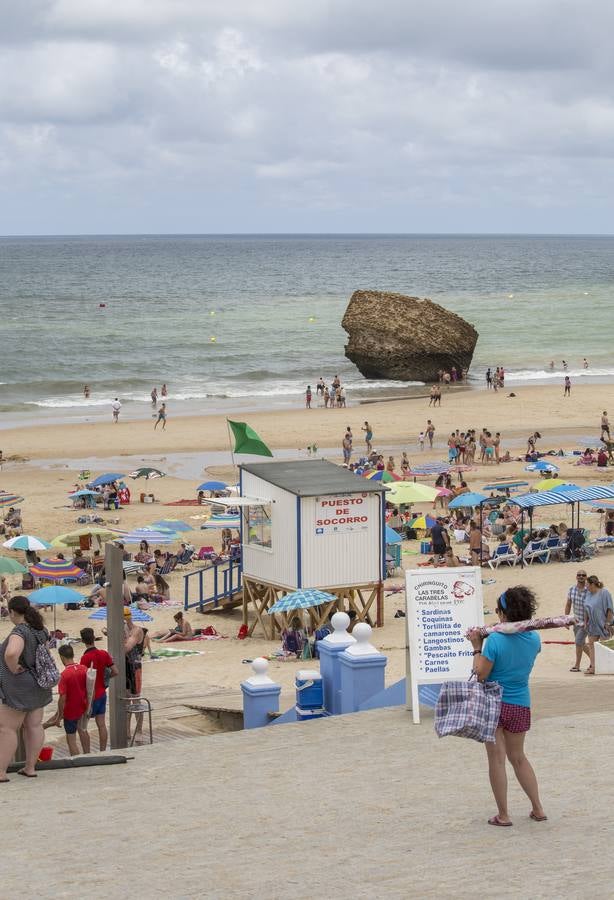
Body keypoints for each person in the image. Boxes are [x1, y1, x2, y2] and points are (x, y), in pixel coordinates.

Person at [469, 587, 546, 826]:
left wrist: (476, 646)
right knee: (519, 757)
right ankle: (538, 808)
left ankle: (503, 815)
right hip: (520, 702)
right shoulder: (534, 638)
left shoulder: (495, 641)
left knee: (497, 759)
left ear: (503, 613)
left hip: (494, 702)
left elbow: (480, 674)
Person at [0, 596, 54, 780]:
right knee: (34, 725)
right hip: (38, 682)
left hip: (19, 686)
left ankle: (1, 772)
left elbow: (12, 653)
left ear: (13, 612)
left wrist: (13, 667)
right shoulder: (41, 630)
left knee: (7, 728)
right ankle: (30, 767)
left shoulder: (19, 631)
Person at [44, 644, 90, 756]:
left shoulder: (64, 675)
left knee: (71, 740)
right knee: (83, 731)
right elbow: (89, 689)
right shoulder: (84, 669)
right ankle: (88, 755)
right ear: (73, 654)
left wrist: (59, 715)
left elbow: (62, 698)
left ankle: (76, 761)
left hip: (70, 712)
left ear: (62, 657)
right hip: (83, 708)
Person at [79, 628, 117, 752]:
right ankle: (102, 751)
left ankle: (87, 753)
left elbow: (83, 678)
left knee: (83, 726)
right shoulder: (104, 654)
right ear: (94, 638)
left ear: (83, 640)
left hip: (90, 697)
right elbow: (115, 671)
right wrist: (105, 678)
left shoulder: (85, 658)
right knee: (101, 725)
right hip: (102, 693)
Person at [583, 576, 614, 675]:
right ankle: (593, 667)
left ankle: (608, 666)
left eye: (587, 584)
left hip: (603, 623)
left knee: (605, 645)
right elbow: (586, 609)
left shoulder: (604, 593)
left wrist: (608, 623)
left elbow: (610, 609)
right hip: (592, 624)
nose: (586, 586)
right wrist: (585, 622)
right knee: (592, 645)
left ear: (592, 584)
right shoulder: (587, 594)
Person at [124, 608, 144, 742]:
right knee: (125, 700)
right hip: (124, 666)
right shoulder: (124, 629)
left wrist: (119, 637)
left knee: (135, 700)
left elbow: (127, 648)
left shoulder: (137, 630)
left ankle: (139, 731)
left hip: (134, 667)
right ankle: (126, 731)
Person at [565, 571, 589, 672]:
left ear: (586, 577)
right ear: (576, 577)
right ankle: (595, 660)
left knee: (578, 642)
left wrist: (588, 622)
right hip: (576, 621)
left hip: (587, 622)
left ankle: (577, 665)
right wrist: (566, 619)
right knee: (582, 644)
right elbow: (568, 604)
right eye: (579, 575)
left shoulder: (589, 591)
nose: (581, 577)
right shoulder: (572, 589)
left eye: (583, 575)